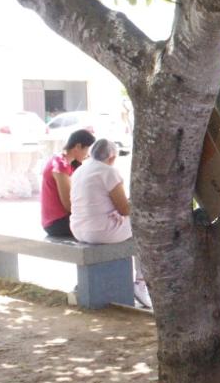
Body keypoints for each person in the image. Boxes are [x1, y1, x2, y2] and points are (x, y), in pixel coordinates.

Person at [69, 139, 151, 308]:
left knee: (131, 225)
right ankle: (140, 283)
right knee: (146, 228)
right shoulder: (108, 172)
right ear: (112, 157)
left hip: (78, 229)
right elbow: (125, 209)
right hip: (101, 231)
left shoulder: (79, 170)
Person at [41, 129, 95, 237]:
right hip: (57, 222)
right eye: (88, 150)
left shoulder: (71, 164)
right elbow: (68, 204)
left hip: (66, 219)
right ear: (78, 146)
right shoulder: (60, 164)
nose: (88, 155)